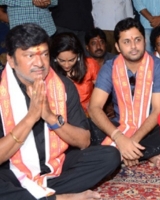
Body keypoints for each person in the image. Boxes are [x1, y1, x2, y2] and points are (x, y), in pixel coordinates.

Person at [0, 23, 120, 200]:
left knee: (110, 156)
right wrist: (30, 118)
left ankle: (35, 194)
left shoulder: (63, 86)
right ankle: (60, 197)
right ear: (11, 60)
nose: (40, 63)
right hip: (11, 171)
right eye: (30, 55)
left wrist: (50, 117)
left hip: (56, 164)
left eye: (45, 54)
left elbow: (84, 141)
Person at [88, 18, 160, 169]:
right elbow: (94, 107)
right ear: (117, 46)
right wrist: (120, 138)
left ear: (144, 41)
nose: (134, 46)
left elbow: (158, 111)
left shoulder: (159, 67)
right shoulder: (110, 67)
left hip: (150, 128)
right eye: (126, 42)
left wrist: (131, 142)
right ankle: (147, 153)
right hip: (120, 127)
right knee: (89, 126)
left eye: (137, 40)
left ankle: (124, 154)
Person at [50, 32, 100, 114]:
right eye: (61, 60)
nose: (66, 65)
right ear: (55, 57)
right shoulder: (50, 70)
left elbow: (101, 90)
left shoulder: (90, 65)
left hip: (87, 113)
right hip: (61, 114)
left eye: (71, 60)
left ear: (79, 56)